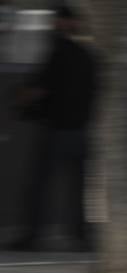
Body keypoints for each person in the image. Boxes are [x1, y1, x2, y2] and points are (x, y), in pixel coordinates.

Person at [9, 4, 98, 252]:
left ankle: (33, 235)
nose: (54, 26)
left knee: (40, 185)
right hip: (80, 130)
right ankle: (80, 237)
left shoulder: (57, 51)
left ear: (62, 23)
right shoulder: (87, 55)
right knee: (77, 188)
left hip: (57, 129)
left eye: (57, 21)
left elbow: (40, 88)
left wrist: (22, 98)